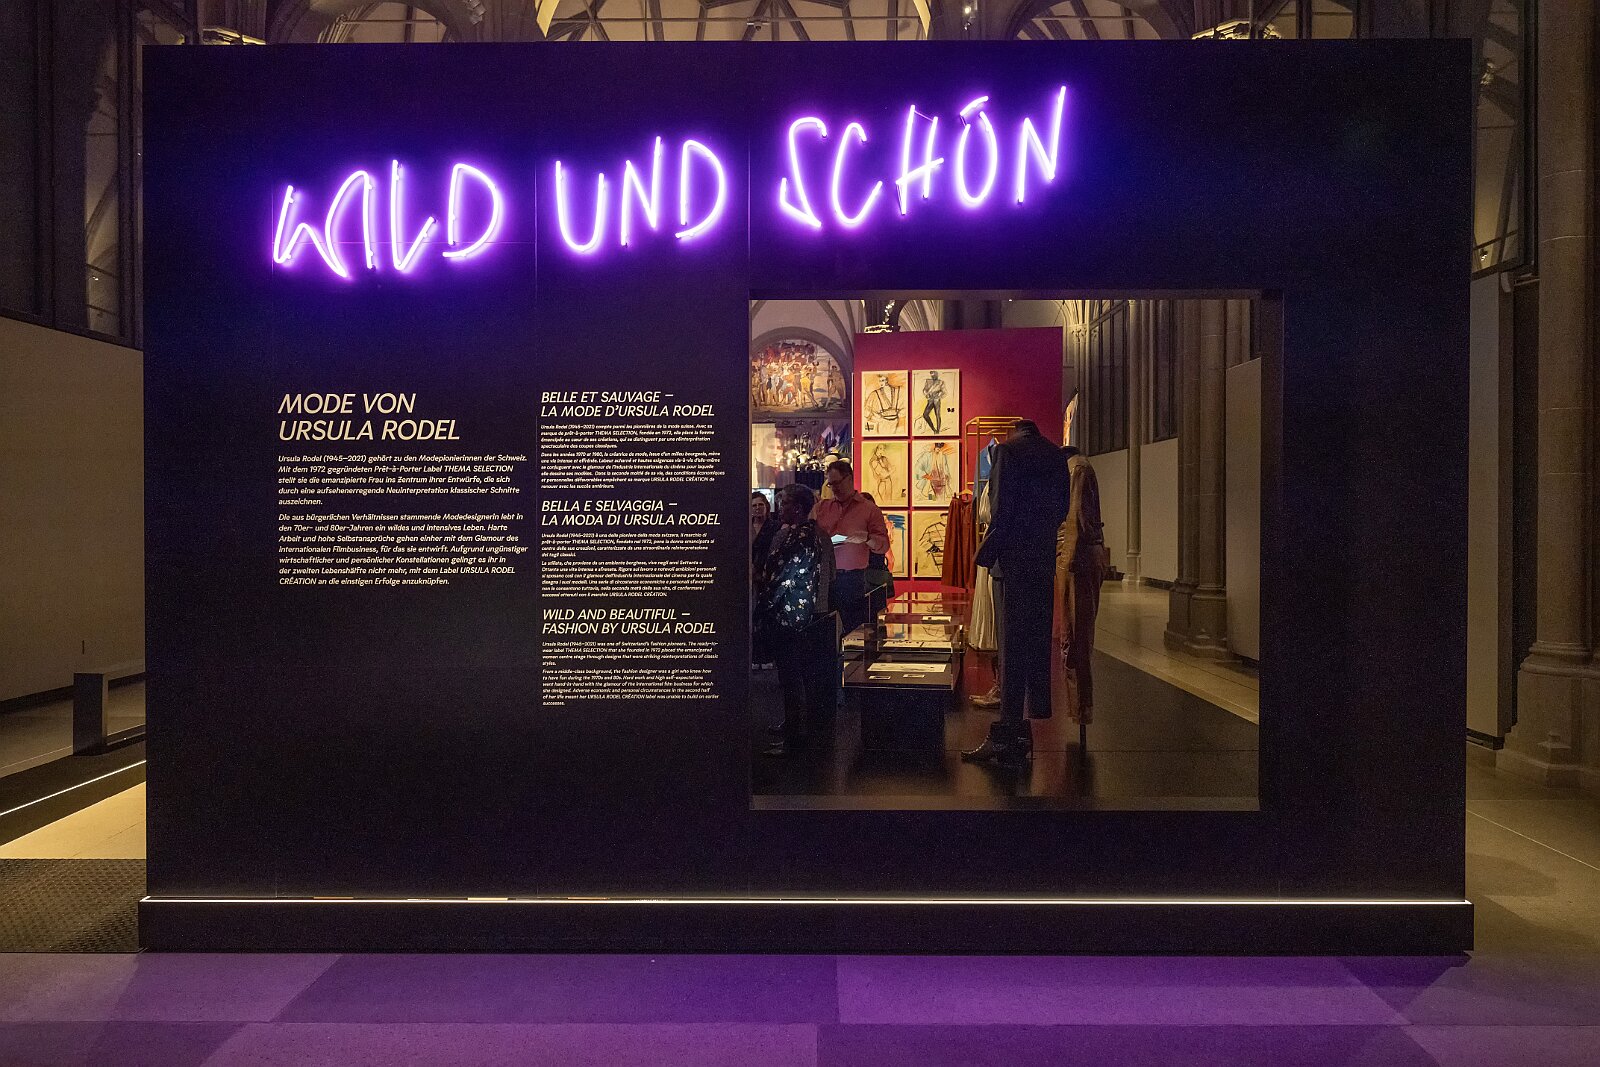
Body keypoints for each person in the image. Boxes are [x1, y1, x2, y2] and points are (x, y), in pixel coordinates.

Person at [963, 420, 1070, 766]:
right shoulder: (1055, 455)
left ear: (1014, 431)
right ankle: (1026, 728)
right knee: (1037, 645)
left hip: (1012, 562)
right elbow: (1061, 508)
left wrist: (986, 555)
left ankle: (1007, 737)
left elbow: (1001, 510)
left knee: (1010, 648)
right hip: (1041, 559)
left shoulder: (1007, 452)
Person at [753, 483, 835, 756]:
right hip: (795, 616)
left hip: (790, 618)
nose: (780, 508)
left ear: (798, 508)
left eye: (785, 503)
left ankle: (794, 739)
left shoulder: (800, 537)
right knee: (792, 677)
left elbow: (781, 578)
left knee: (792, 678)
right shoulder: (803, 535)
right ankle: (794, 731)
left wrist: (764, 603)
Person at [1052, 445, 1108, 728]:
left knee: (1076, 639)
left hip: (1077, 561)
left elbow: (1075, 522)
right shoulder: (1077, 468)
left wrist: (1065, 564)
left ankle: (1082, 708)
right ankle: (1079, 708)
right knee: (1073, 638)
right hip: (1077, 559)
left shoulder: (1077, 470)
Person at [811, 459, 889, 636]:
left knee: (853, 631)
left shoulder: (869, 509)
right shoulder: (822, 508)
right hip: (823, 578)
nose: (834, 488)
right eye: (831, 484)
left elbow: (883, 545)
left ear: (850, 479)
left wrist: (867, 538)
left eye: (837, 483)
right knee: (824, 631)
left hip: (852, 579)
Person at [750, 490, 779, 566]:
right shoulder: (746, 527)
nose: (757, 508)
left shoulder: (776, 526)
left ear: (766, 506)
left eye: (760, 504)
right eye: (754, 505)